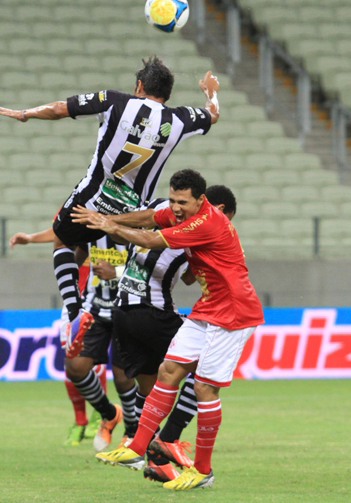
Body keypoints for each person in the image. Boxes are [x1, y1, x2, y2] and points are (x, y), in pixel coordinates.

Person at [0, 56, 220, 359]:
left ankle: (74, 308)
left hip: (91, 199)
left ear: (139, 85)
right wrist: (211, 92)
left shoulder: (116, 101)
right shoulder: (179, 119)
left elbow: (60, 109)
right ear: (167, 93)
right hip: (130, 217)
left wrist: (25, 114)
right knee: (114, 254)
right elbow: (212, 115)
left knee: (63, 238)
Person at [74, 169, 264, 491]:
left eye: (182, 202)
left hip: (233, 310)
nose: (175, 208)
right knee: (168, 370)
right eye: (173, 200)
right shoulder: (180, 214)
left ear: (201, 200)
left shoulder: (206, 221)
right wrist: (108, 216)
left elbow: (150, 237)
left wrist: (111, 225)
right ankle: (138, 447)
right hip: (209, 305)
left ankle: (202, 470)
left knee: (205, 389)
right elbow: (150, 216)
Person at [112, 185, 237, 484]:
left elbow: (184, 271)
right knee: (200, 375)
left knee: (155, 382)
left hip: (122, 310)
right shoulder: (197, 225)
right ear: (217, 209)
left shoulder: (167, 214)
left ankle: (144, 450)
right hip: (156, 312)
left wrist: (111, 224)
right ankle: (166, 441)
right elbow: (155, 243)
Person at [10, 229, 138, 451]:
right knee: (75, 367)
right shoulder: (92, 224)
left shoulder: (138, 227)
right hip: (93, 308)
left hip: (128, 308)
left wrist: (116, 272)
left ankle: (132, 431)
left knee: (123, 377)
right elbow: (70, 248)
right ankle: (109, 414)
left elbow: (150, 267)